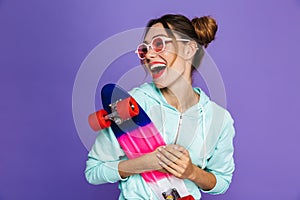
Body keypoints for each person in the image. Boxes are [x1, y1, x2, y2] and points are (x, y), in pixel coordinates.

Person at [85, 14, 235, 200]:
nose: (148, 55)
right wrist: (143, 164)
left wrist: (191, 172)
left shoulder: (219, 119)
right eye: (144, 50)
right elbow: (93, 171)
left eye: (159, 44)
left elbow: (222, 181)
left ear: (189, 50)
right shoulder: (132, 103)